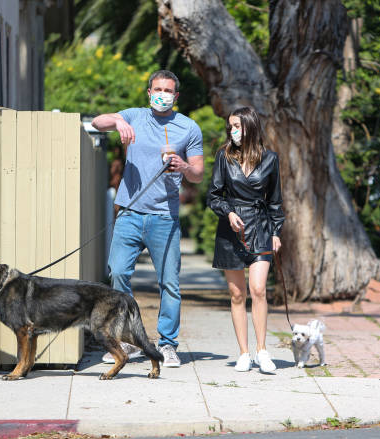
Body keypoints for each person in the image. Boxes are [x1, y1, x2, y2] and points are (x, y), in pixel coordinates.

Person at [91, 70, 204, 367]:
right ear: (148, 91)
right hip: (129, 212)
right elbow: (96, 122)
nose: (162, 94)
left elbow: (199, 173)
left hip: (164, 217)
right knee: (117, 273)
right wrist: (117, 121)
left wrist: (182, 167)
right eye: (157, 89)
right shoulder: (134, 116)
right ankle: (128, 340)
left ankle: (167, 344)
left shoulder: (187, 127)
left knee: (169, 283)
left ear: (176, 96)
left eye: (168, 90)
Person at [207, 106, 285, 373]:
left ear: (250, 127)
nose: (233, 131)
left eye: (237, 126)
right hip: (232, 230)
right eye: (230, 126)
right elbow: (214, 195)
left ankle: (263, 351)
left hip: (261, 227)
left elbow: (275, 200)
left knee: (258, 288)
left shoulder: (270, 159)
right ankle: (243, 353)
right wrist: (228, 212)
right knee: (237, 293)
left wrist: (276, 232)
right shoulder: (224, 156)